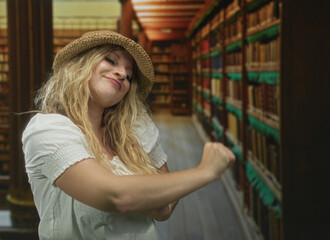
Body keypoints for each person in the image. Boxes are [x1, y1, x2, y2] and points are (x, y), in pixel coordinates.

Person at [22, 30, 235, 240]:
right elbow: (116, 196)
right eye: (111, 60)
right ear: (81, 65)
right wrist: (205, 172)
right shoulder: (47, 130)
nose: (123, 73)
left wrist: (144, 198)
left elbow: (165, 209)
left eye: (129, 74)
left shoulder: (135, 129)